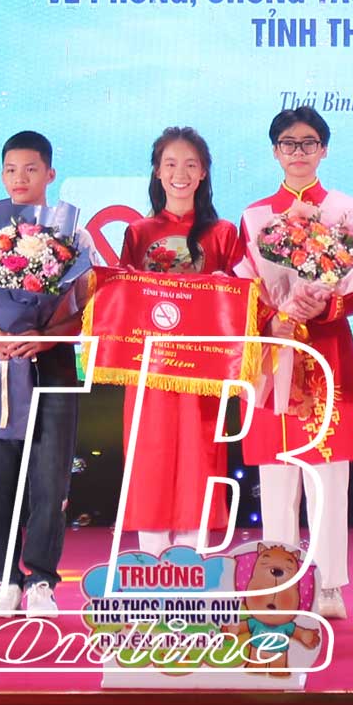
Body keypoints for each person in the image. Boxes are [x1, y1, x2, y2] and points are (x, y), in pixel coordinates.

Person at [237, 104, 353, 622]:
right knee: (277, 474)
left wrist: (322, 304)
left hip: (327, 351)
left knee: (327, 475)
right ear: (275, 152)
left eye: (308, 143)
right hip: (275, 351)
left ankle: (328, 584)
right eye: (288, 144)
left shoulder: (346, 213)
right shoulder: (255, 216)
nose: (298, 152)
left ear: (323, 149)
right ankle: (280, 581)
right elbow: (246, 289)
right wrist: (275, 318)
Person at [0, 130, 89, 618]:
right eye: (11, 169)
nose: (20, 178)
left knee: (50, 481)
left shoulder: (74, 237)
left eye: (31, 169)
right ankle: (4, 579)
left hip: (52, 369)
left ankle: (42, 581)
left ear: (50, 174)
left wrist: (46, 337)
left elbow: (86, 312)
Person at [113, 127, 244, 555]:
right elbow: (124, 302)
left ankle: (193, 563)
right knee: (149, 458)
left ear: (204, 172)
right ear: (157, 172)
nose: (180, 173)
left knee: (199, 458)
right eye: (170, 164)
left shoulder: (223, 233)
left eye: (190, 164)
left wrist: (225, 288)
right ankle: (152, 563)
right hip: (150, 370)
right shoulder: (138, 232)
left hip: (201, 372)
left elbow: (242, 302)